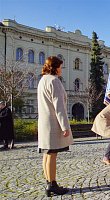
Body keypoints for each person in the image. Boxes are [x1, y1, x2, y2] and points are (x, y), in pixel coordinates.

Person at [37, 56, 73, 196]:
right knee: (52, 154)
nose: (61, 69)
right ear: (55, 67)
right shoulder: (54, 81)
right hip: (53, 123)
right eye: (60, 66)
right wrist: (65, 126)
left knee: (46, 154)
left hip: (44, 122)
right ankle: (52, 184)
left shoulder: (42, 80)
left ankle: (49, 182)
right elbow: (59, 107)